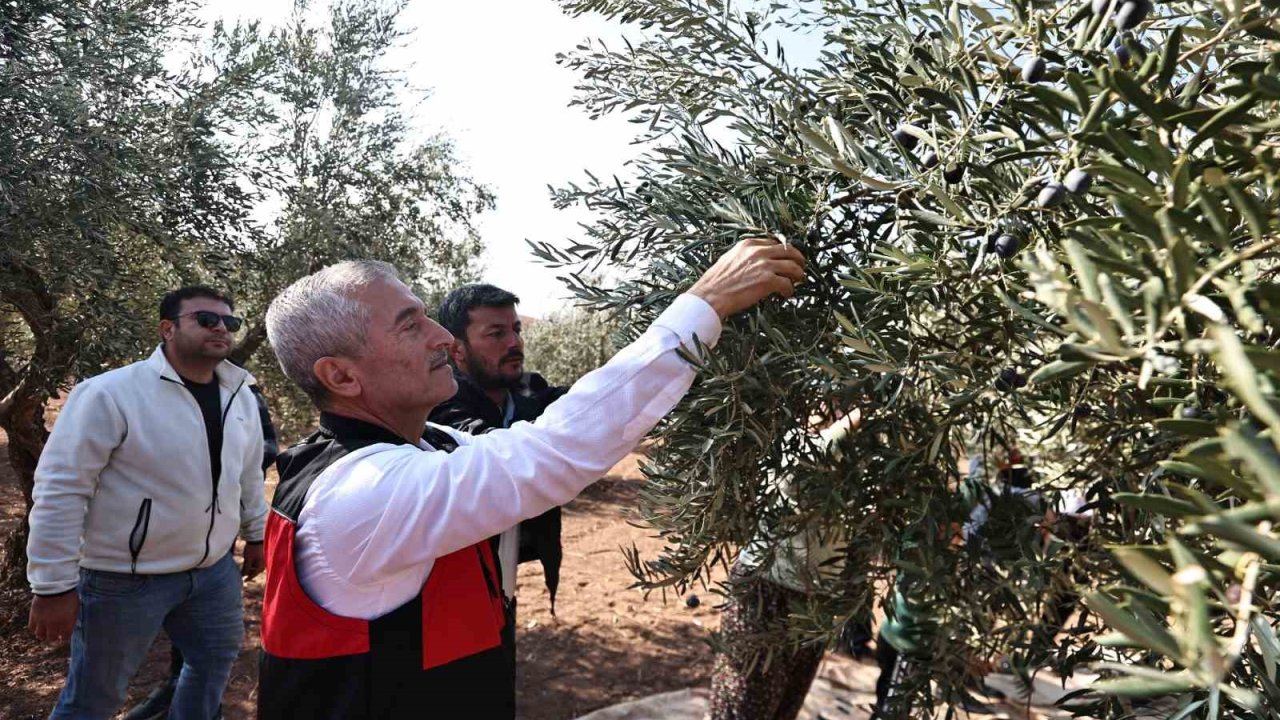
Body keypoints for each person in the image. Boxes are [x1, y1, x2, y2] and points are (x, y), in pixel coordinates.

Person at [257, 238, 806, 719]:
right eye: (409, 325)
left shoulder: (430, 445)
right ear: (341, 375)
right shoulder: (360, 492)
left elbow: (552, 433)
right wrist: (703, 305)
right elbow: (555, 451)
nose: (442, 337)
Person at [27, 286, 270, 720]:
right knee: (93, 699)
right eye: (206, 319)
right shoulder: (109, 394)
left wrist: (256, 534)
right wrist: (52, 585)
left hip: (212, 574)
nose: (221, 329)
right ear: (168, 328)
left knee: (212, 666)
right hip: (123, 579)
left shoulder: (241, 396)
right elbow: (62, 488)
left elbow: (248, 474)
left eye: (229, 322)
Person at [123, 379, 279, 720]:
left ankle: (198, 703)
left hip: (216, 539)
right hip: (155, 545)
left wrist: (253, 532)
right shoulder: (147, 387)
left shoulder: (242, 391)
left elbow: (260, 455)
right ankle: (173, 688)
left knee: (207, 642)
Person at [430, 284, 568, 621]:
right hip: (453, 586)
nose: (514, 343)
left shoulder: (528, 392)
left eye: (516, 330)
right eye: (496, 333)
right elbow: (490, 449)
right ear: (458, 350)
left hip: (503, 578)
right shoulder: (437, 404)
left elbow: (588, 402)